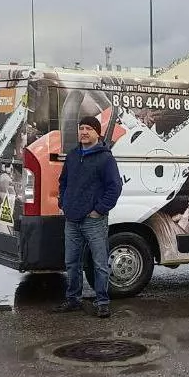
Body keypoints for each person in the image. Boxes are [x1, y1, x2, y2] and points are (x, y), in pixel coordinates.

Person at [56, 116, 123, 318]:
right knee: (71, 262)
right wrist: (63, 203)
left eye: (88, 129)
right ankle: (73, 300)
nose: (84, 132)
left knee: (99, 263)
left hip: (94, 220)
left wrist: (100, 210)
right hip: (72, 219)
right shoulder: (73, 155)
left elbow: (115, 187)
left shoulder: (105, 158)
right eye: (81, 128)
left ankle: (102, 302)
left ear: (97, 133)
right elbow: (63, 181)